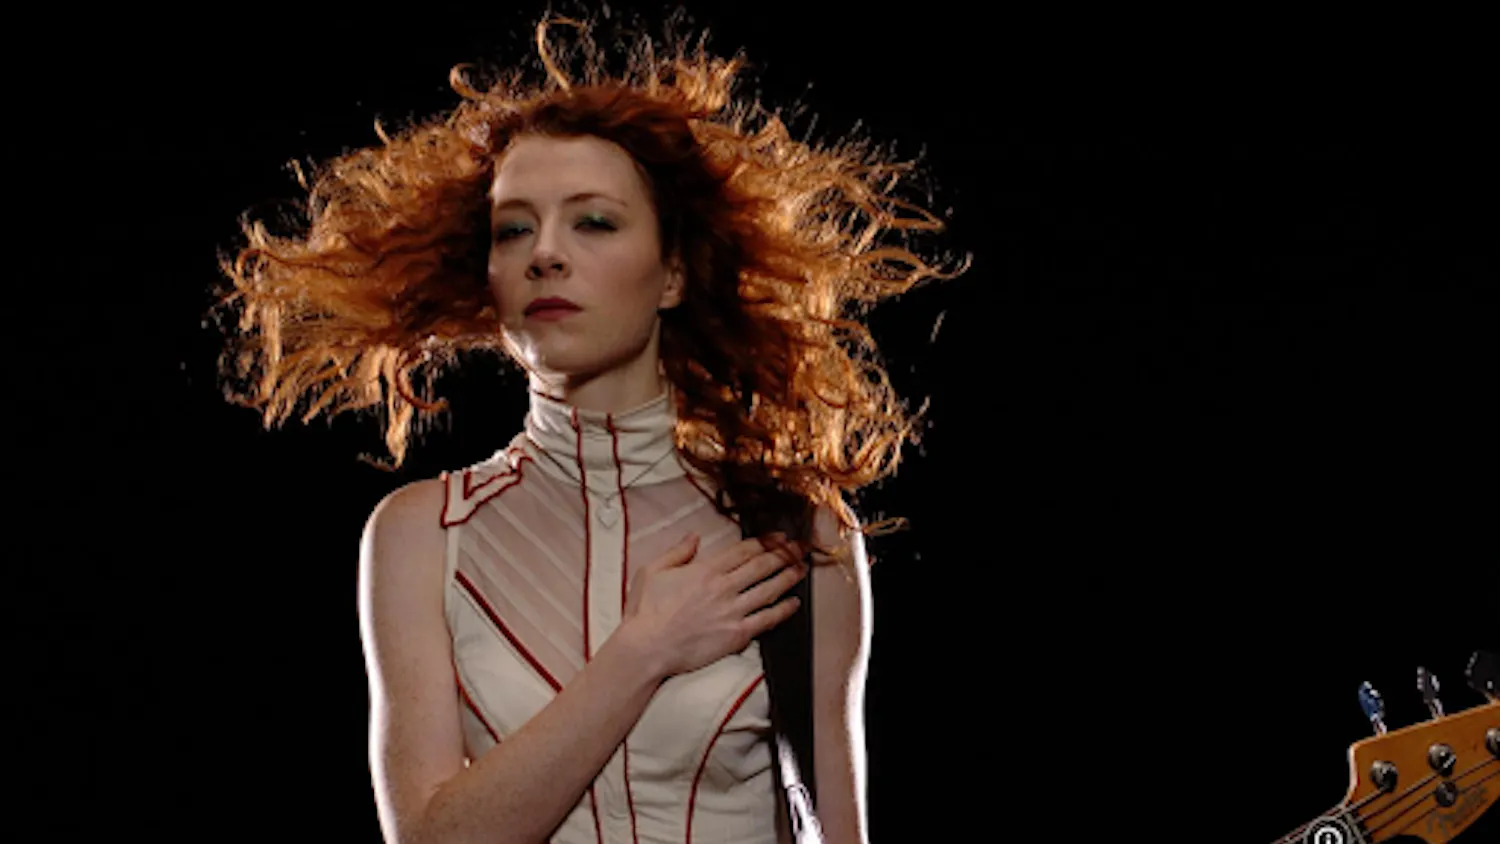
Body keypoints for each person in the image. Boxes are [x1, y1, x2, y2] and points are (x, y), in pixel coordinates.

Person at [216, 15, 956, 844]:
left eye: (594, 222)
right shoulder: (422, 533)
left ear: (673, 272)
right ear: (489, 276)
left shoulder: (795, 531)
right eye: (514, 228)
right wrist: (645, 649)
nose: (547, 255)